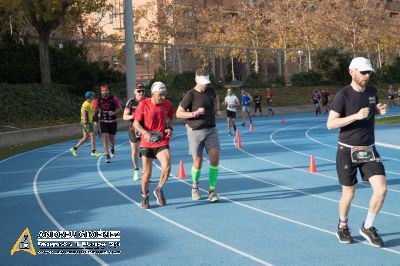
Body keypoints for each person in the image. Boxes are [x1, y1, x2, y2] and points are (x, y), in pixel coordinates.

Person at [327, 57, 388, 247]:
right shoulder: (342, 95)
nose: (366, 76)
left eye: (368, 72)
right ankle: (342, 226)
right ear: (351, 71)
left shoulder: (372, 91)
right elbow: (330, 124)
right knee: (349, 194)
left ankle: (367, 227)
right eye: (363, 72)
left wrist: (378, 109)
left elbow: (371, 109)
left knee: (382, 189)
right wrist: (354, 116)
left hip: (369, 149)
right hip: (347, 150)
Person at [176, 68, 221, 203]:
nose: (205, 85)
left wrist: (217, 110)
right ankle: (195, 187)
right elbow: (178, 113)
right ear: (196, 80)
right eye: (202, 83)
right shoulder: (190, 95)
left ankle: (212, 191)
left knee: (215, 158)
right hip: (195, 131)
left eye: (206, 82)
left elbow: (217, 98)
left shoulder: (211, 91)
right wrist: (194, 114)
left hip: (211, 129)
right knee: (198, 162)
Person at [133, 82, 174, 209]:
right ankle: (145, 196)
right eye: (160, 95)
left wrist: (169, 128)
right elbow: (135, 124)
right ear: (153, 94)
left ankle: (158, 189)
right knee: (147, 175)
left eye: (164, 94)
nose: (162, 97)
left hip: (161, 140)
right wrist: (144, 133)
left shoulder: (167, 104)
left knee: (167, 167)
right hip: (147, 142)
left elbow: (171, 118)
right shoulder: (143, 104)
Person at [92, 85, 122, 163]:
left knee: (112, 138)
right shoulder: (98, 100)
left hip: (112, 121)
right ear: (101, 92)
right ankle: (107, 156)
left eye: (105, 90)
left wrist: (114, 112)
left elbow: (120, 108)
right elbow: (95, 109)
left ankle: (112, 148)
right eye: (102, 91)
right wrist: (94, 115)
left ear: (108, 91)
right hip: (103, 121)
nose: (104, 92)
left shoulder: (113, 98)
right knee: (104, 137)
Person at [123, 84, 146, 181]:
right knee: (134, 151)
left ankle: (145, 172)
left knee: (146, 152)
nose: (141, 93)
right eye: (139, 91)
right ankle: (136, 170)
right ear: (135, 92)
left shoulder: (147, 101)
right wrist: (134, 116)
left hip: (145, 130)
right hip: (134, 129)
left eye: (143, 91)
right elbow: (124, 117)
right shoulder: (131, 102)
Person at [70, 91, 102, 157]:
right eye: (93, 96)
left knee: (85, 138)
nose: (94, 97)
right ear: (90, 97)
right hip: (87, 123)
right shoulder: (86, 104)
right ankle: (93, 151)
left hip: (87, 122)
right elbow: (84, 114)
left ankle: (74, 149)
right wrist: (85, 123)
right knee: (92, 137)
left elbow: (91, 113)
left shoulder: (89, 103)